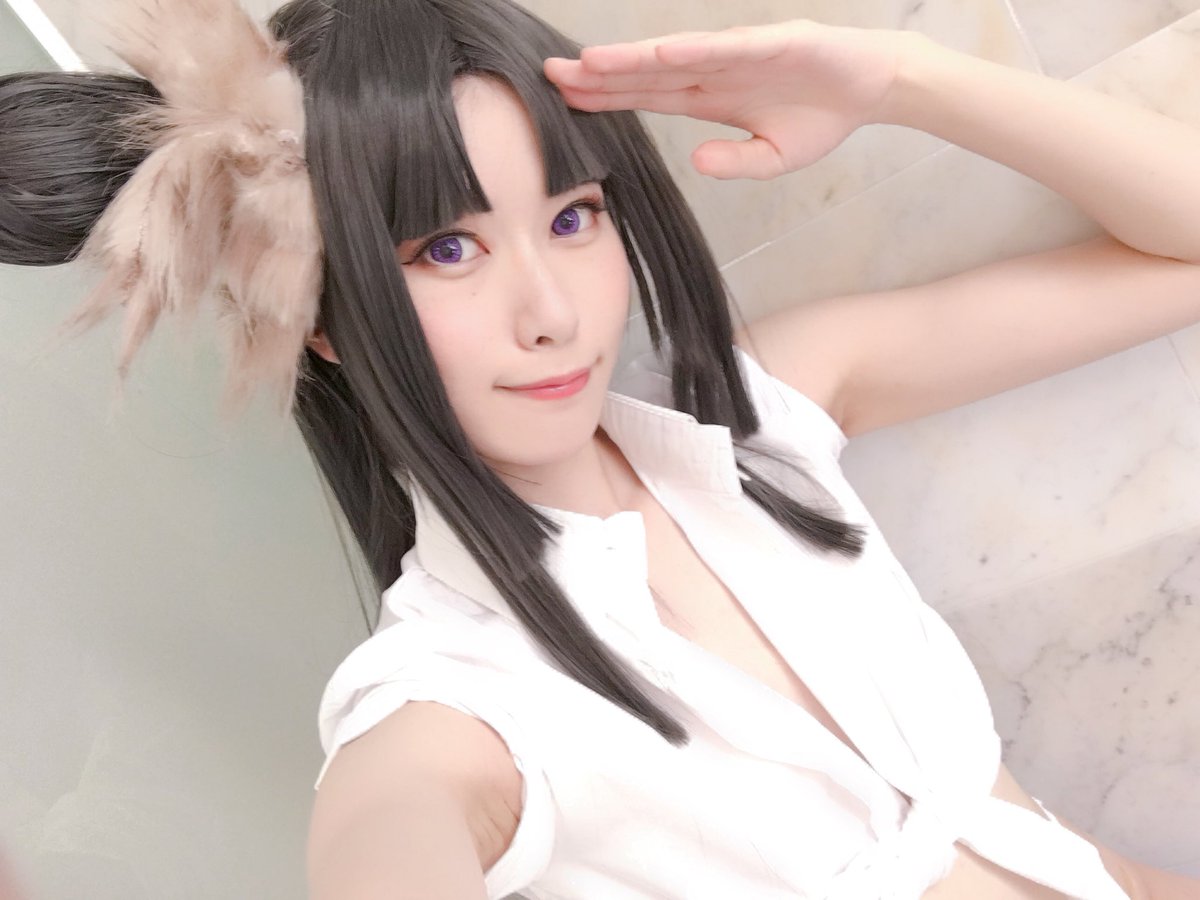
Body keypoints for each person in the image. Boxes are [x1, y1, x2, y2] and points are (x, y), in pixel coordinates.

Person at [1, 0, 1198, 898]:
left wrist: (901, 78)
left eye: (573, 218)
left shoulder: (761, 420)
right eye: (448, 249)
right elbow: (390, 829)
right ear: (316, 316)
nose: (552, 311)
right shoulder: (453, 708)